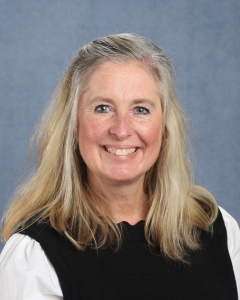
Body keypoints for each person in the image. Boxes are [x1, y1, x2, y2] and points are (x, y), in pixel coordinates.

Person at [0, 33, 239, 300]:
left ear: (165, 127)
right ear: (73, 126)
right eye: (103, 108)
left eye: (141, 109)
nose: (121, 130)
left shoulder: (218, 228)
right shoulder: (34, 257)